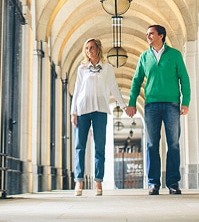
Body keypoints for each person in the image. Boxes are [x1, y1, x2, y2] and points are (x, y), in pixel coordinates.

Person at [125, 24, 191, 195]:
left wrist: (186, 102)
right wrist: (132, 102)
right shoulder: (144, 57)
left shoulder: (175, 55)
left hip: (172, 105)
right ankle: (153, 183)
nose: (148, 37)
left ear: (161, 36)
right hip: (151, 105)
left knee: (174, 144)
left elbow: (184, 79)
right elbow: (136, 81)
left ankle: (173, 183)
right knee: (152, 144)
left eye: (151, 34)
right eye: (147, 34)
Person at [71, 37, 126, 196]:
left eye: (92, 47)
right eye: (87, 48)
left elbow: (114, 87)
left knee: (99, 147)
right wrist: (73, 112)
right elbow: (77, 90)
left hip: (100, 110)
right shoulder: (82, 69)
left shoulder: (107, 68)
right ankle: (79, 181)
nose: (89, 51)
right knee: (80, 146)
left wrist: (123, 106)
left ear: (98, 49)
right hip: (82, 110)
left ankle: (98, 182)